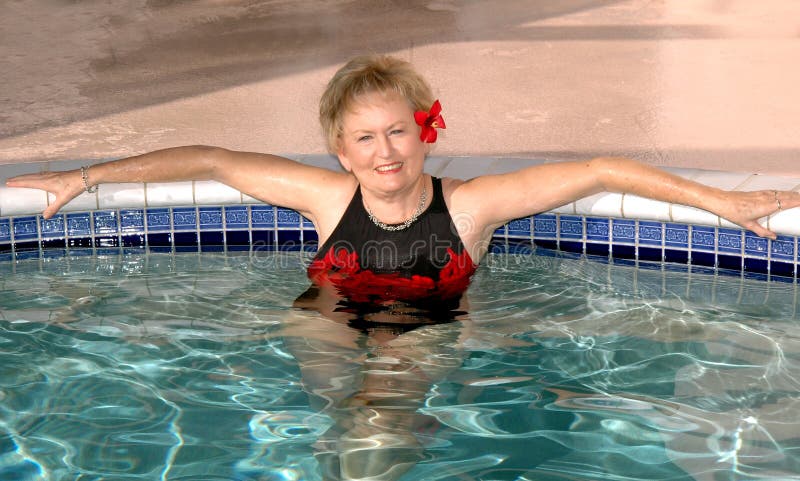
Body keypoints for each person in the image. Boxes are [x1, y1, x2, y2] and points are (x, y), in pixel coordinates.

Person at [6, 54, 799, 480]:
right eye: (363, 139)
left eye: (397, 132)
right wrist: (85, 178)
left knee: (378, 414)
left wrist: (724, 204)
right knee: (338, 397)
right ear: (339, 149)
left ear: (424, 132)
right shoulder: (322, 195)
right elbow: (213, 159)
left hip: (427, 327)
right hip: (325, 316)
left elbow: (597, 169)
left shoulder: (473, 206)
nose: (383, 152)